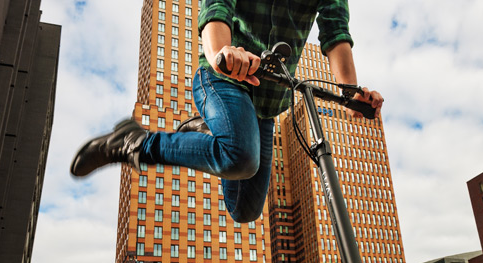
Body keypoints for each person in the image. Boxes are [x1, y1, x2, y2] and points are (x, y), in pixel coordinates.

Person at [70, 0, 384, 225]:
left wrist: (349, 94)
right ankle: (135, 142)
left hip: (267, 103)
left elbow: (335, 33)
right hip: (223, 78)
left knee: (244, 211)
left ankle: (211, 133)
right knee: (240, 157)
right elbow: (216, 8)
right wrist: (222, 50)